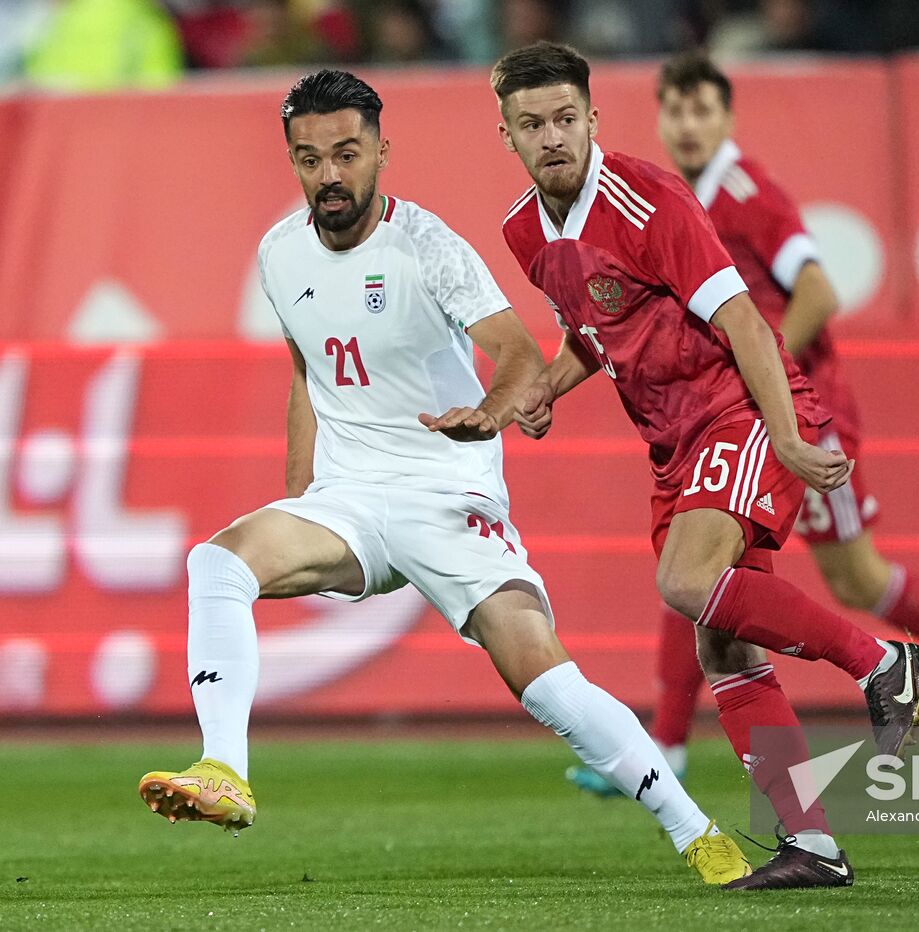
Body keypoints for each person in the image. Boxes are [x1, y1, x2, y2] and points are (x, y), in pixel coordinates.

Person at [136, 68, 751, 888]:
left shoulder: (428, 246)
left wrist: (488, 415)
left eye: (347, 154)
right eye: (310, 159)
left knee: (546, 683)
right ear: (293, 161)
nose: (330, 176)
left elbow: (521, 355)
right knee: (216, 562)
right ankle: (224, 770)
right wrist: (301, 491)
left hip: (447, 494)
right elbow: (306, 373)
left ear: (382, 152)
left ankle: (698, 832)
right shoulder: (280, 255)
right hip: (348, 501)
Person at [492, 41, 919, 890]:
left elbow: (743, 322)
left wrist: (790, 435)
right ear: (506, 133)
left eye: (564, 118)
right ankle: (813, 845)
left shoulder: (649, 198)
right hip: (674, 442)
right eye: (531, 124)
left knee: (685, 580)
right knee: (726, 651)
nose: (551, 136)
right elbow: (594, 328)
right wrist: (545, 387)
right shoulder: (524, 231)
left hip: (741, 411)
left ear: (593, 119)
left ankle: (884, 665)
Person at [567, 55, 919, 803]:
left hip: (801, 413)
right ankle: (675, 745)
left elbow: (820, 290)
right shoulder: (672, 199)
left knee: (844, 576)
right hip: (743, 413)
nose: (688, 125)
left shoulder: (745, 192)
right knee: (700, 567)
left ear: (727, 119)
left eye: (702, 110)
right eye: (675, 111)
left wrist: (762, 382)